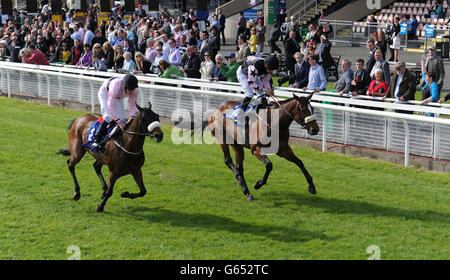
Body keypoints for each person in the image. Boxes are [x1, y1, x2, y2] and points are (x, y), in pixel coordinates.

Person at [92, 73, 139, 149]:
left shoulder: (135, 90)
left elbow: (132, 105)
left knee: (124, 119)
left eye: (132, 90)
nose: (131, 92)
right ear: (125, 87)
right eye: (130, 90)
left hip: (117, 97)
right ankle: (97, 139)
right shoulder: (116, 86)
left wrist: (132, 117)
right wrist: (118, 121)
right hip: (105, 92)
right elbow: (110, 106)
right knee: (108, 117)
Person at [235, 55, 279, 125]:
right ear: (265, 64)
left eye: (272, 70)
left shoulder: (268, 67)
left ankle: (265, 117)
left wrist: (269, 90)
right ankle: (239, 116)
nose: (271, 71)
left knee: (262, 95)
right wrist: (265, 90)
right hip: (243, 73)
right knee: (250, 94)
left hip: (255, 74)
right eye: (270, 69)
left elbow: (266, 81)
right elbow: (251, 84)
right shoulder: (255, 67)